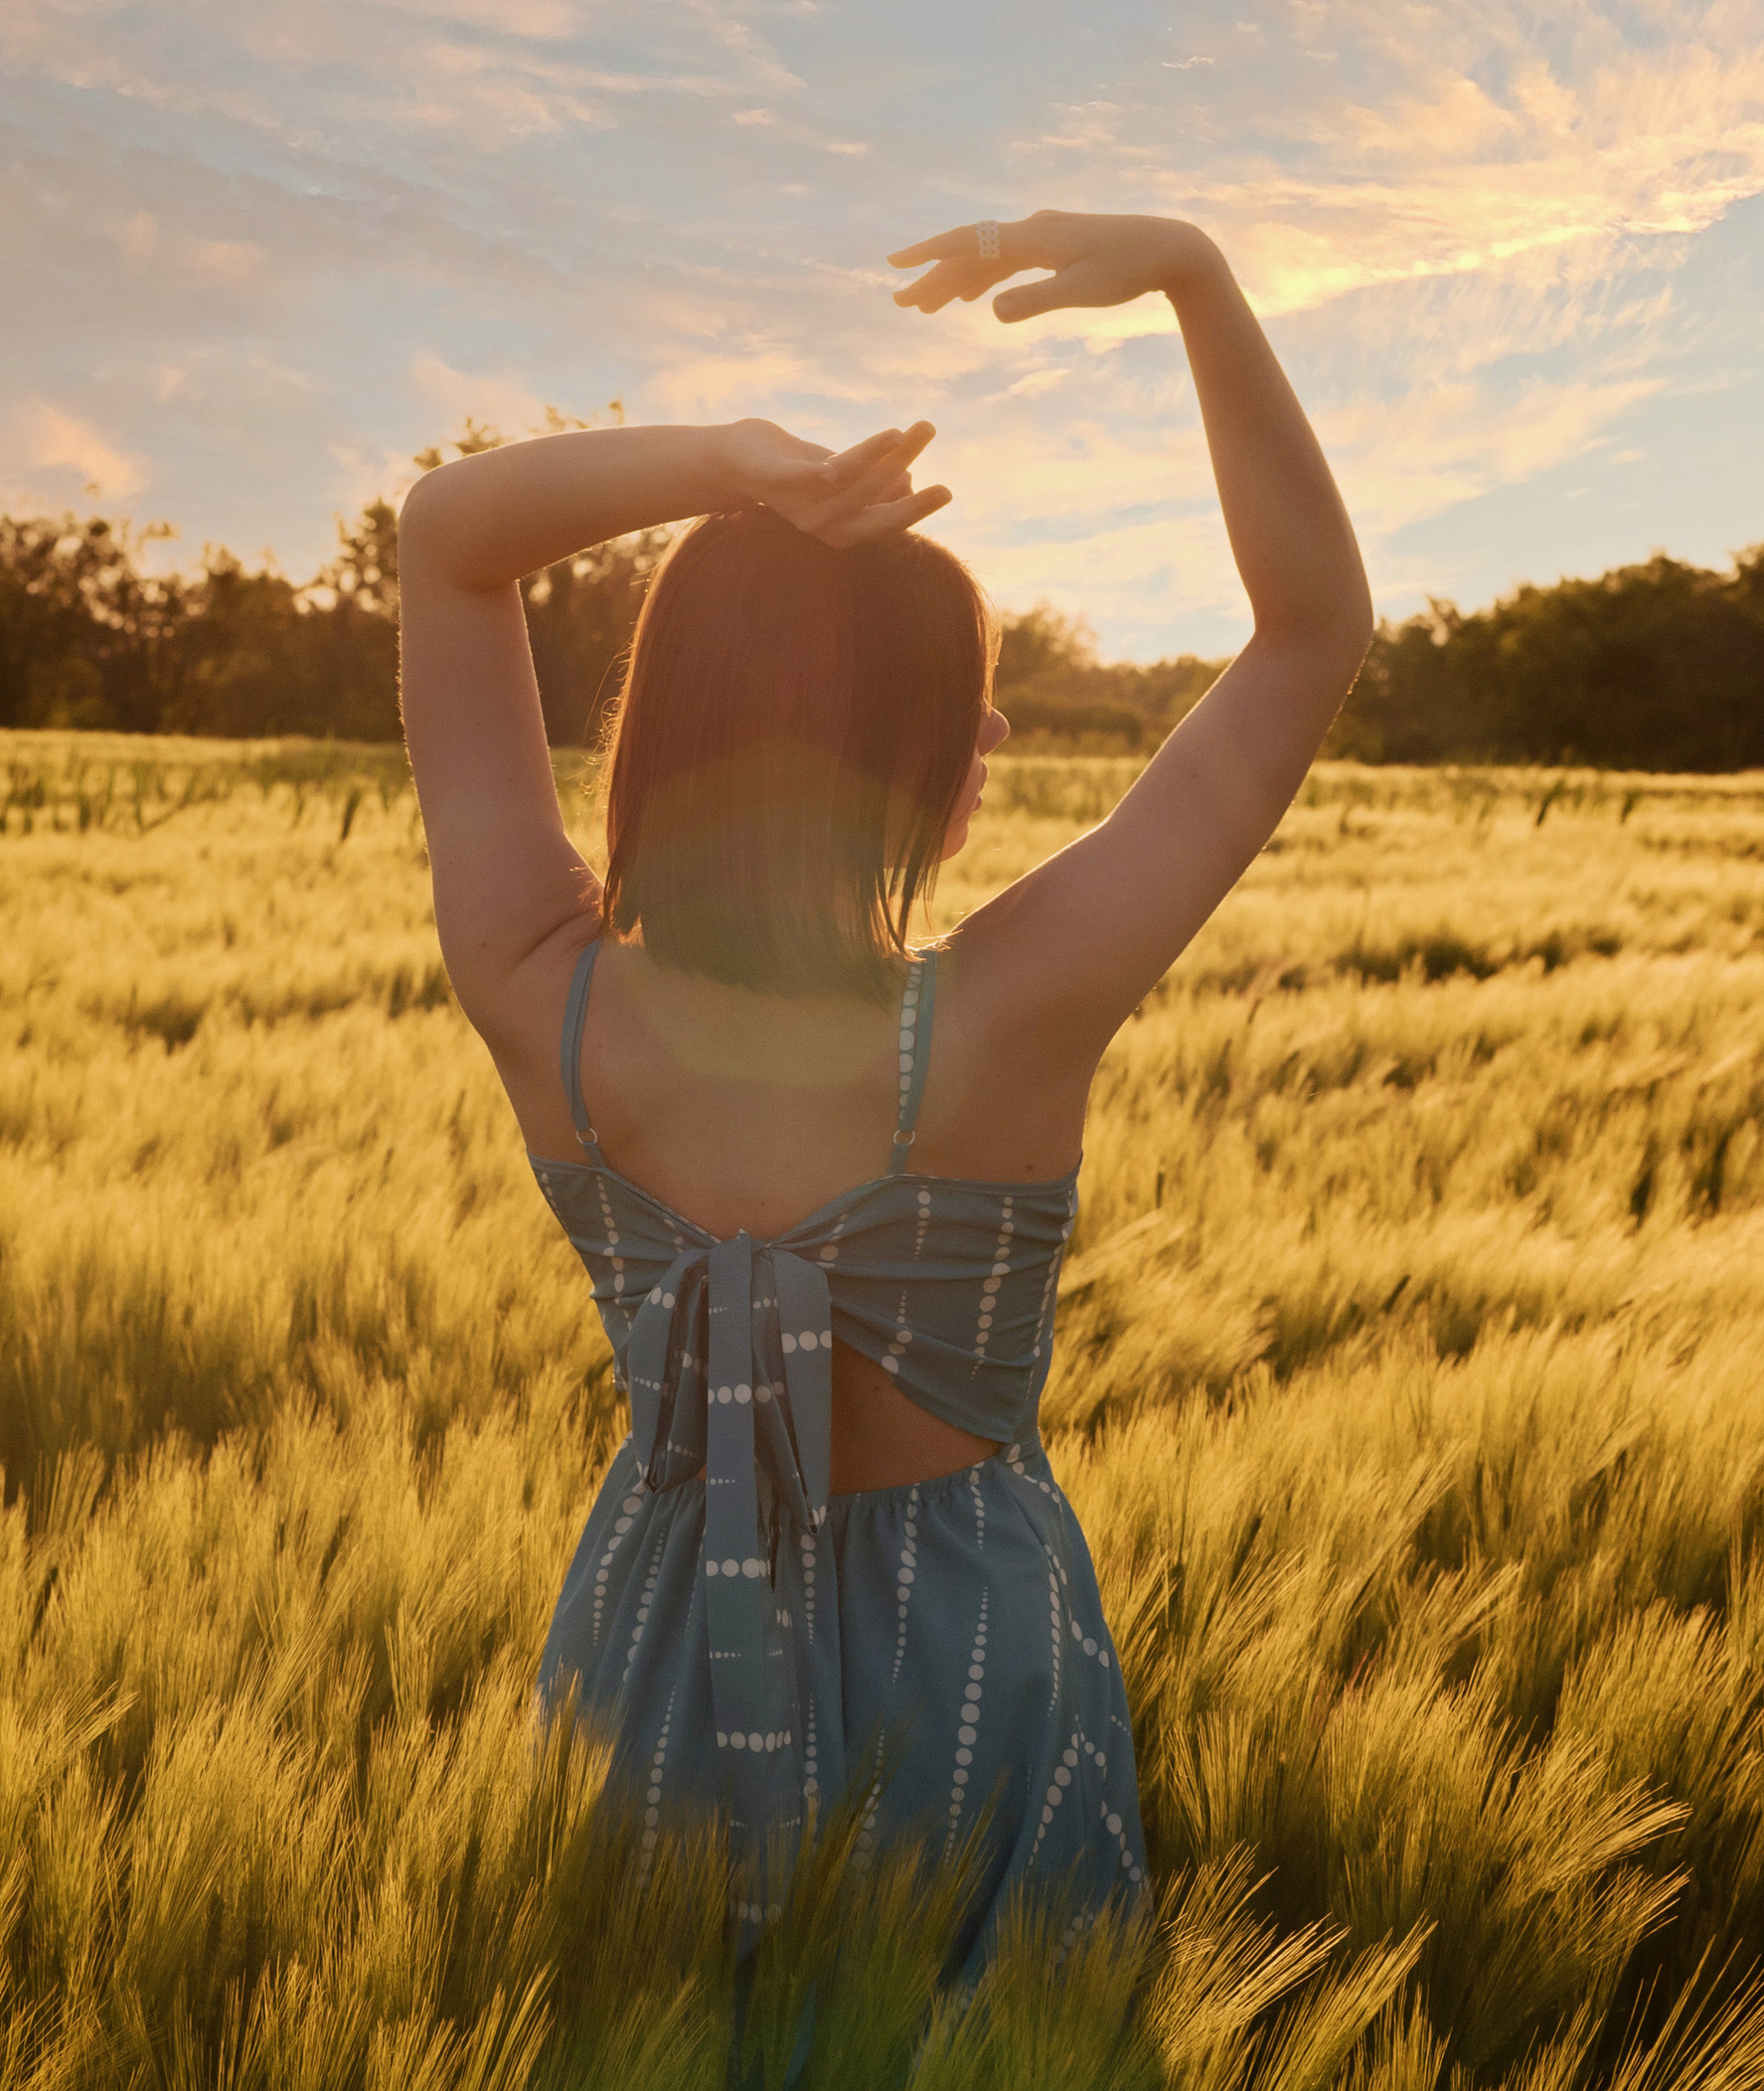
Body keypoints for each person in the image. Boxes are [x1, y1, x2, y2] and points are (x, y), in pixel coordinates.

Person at [398, 208, 1371, 1971]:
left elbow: (449, 542)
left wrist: (730, 468)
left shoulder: (546, 999)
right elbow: (1310, 632)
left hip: (661, 1641)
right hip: (971, 1657)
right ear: (920, 760)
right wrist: (1192, 278)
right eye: (967, 714)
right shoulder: (1013, 1011)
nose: (992, 743)